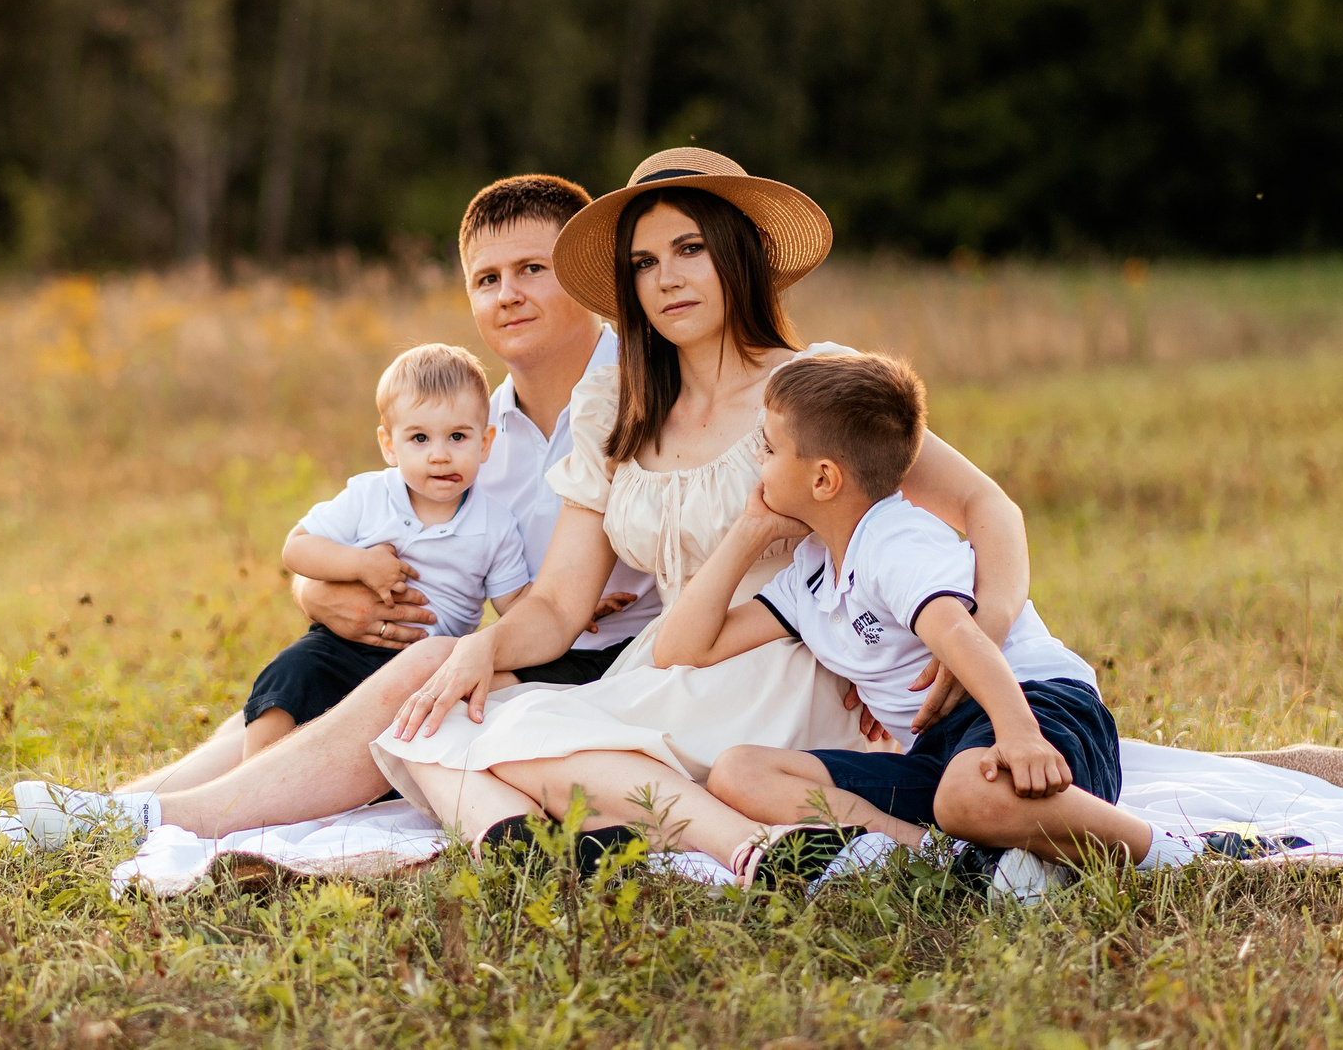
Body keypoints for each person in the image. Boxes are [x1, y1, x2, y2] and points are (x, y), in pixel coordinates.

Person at [0, 174, 652, 852]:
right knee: (298, 699)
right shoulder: (471, 430)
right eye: (486, 278)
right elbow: (376, 537)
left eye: (533, 269)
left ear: (586, 274)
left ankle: (128, 823)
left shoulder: (644, 393)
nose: (508, 294)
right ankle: (37, 824)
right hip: (499, 658)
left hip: (604, 670)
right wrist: (320, 593)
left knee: (403, 682)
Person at [353, 148, 1037, 871]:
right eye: (644, 263)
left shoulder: (812, 388)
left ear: (739, 255)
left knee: (510, 743)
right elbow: (557, 603)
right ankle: (649, 843)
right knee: (435, 722)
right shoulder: (617, 405)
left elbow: (986, 504)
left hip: (790, 665)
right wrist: (483, 648)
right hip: (672, 658)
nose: (667, 278)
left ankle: (731, 844)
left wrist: (981, 635)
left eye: (690, 249)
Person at [667, 351, 1215, 895]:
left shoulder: (894, 542)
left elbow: (958, 633)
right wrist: (750, 530)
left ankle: (1175, 851)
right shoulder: (810, 573)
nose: (757, 459)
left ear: (824, 478)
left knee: (964, 797)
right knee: (737, 773)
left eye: (768, 448)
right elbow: (684, 647)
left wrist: (1020, 734)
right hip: (939, 754)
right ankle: (941, 859)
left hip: (1036, 707)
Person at [245, 343, 533, 760]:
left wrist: (572, 607)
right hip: (343, 646)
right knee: (289, 674)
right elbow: (297, 548)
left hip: (426, 669)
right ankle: (252, 773)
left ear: (485, 442)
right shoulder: (370, 496)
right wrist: (360, 563)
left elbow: (515, 602)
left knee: (430, 731)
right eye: (419, 438)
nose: (439, 455)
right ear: (389, 445)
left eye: (457, 436)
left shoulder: (496, 525)